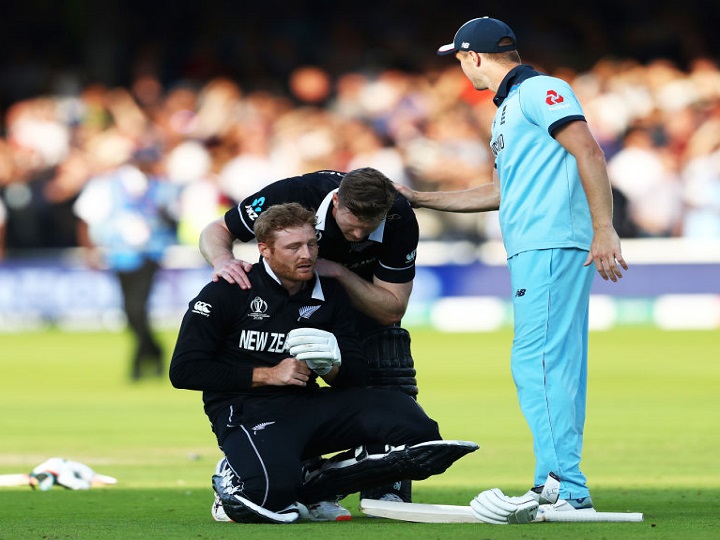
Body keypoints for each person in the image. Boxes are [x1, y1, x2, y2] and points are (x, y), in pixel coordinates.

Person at [396, 17, 629, 517]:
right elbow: (503, 192)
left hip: (550, 244)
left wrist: (604, 228)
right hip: (538, 247)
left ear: (474, 56)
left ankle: (562, 487)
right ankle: (565, 484)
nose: (460, 68)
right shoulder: (507, 111)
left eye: (458, 58)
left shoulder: (539, 91)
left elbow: (588, 149)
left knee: (537, 363)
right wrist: (418, 198)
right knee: (555, 366)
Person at [169, 203, 477, 524]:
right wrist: (268, 374)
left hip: (307, 405)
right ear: (265, 250)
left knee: (415, 429)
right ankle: (234, 475)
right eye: (293, 247)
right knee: (271, 498)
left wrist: (330, 366)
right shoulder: (228, 290)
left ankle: (321, 481)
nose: (307, 254)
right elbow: (184, 370)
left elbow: (355, 377)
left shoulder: (328, 291)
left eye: (312, 243)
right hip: (245, 411)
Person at [198, 167, 420, 509]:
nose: (359, 233)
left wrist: (339, 273)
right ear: (335, 203)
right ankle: (251, 462)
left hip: (358, 308)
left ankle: (381, 483)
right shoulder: (296, 193)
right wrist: (223, 260)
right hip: (288, 306)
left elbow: (392, 309)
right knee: (285, 392)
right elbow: (218, 229)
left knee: (393, 385)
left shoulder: (399, 215)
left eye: (369, 225)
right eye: (352, 222)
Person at [73, 143, 178, 380]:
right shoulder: (107, 185)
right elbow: (86, 218)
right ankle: (155, 351)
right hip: (120, 255)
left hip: (150, 254)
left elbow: (172, 219)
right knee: (130, 311)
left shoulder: (162, 188)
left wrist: (163, 214)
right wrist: (90, 251)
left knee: (137, 308)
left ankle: (138, 366)